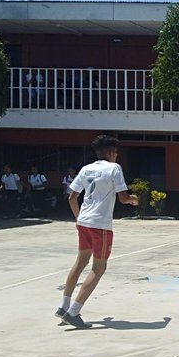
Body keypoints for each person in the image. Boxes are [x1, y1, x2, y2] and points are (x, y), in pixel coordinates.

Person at [58, 135, 139, 329]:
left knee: (79, 263)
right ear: (111, 152)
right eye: (116, 152)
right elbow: (123, 198)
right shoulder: (114, 169)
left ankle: (63, 307)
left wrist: (78, 218)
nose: (117, 155)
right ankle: (74, 312)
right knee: (99, 268)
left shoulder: (86, 169)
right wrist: (134, 199)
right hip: (100, 224)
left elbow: (72, 197)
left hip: (84, 221)